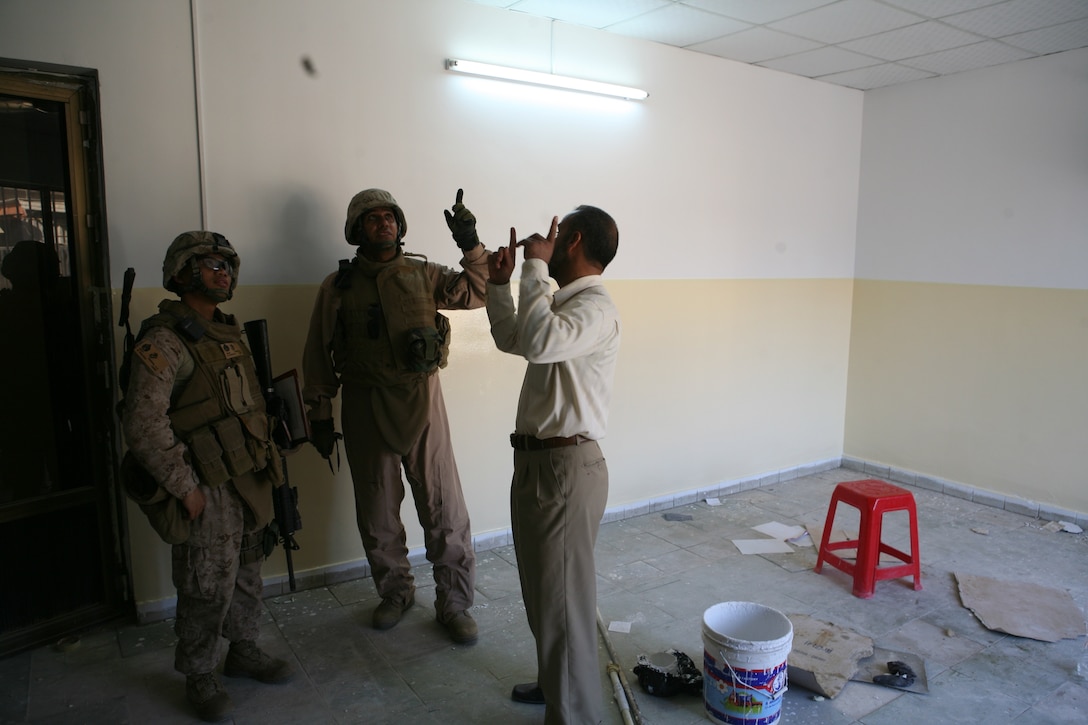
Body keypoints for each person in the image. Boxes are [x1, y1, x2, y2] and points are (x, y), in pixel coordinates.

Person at [302, 188, 488, 644]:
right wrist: (320, 412)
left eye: (389, 216)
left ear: (400, 226)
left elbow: (478, 291)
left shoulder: (424, 274)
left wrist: (470, 242)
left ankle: (455, 603)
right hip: (364, 405)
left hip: (422, 403)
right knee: (378, 511)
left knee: (445, 508)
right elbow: (317, 356)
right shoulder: (336, 287)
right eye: (372, 218)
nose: (383, 223)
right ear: (357, 230)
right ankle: (395, 593)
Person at [121, 232, 294, 722]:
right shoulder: (165, 339)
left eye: (227, 264)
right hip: (205, 483)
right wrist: (185, 487)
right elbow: (141, 422)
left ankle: (243, 650)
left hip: (247, 475)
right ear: (182, 273)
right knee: (205, 582)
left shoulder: (229, 333)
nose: (223, 271)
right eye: (210, 263)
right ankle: (199, 673)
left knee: (246, 570)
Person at [485, 206, 621, 724]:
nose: (546, 240)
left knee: (563, 606)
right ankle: (553, 683)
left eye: (556, 236)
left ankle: (575, 715)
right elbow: (516, 339)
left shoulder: (595, 310)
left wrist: (534, 268)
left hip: (566, 469)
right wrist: (502, 285)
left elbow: (540, 341)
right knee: (544, 594)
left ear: (573, 240)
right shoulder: (563, 306)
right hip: (540, 465)